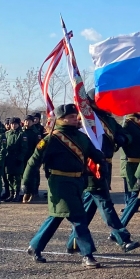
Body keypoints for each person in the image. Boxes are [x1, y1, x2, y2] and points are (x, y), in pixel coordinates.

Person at [25, 103, 104, 268]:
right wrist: (26, 183)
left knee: (56, 216)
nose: (75, 119)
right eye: (71, 117)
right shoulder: (53, 139)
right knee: (79, 218)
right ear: (61, 119)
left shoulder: (82, 137)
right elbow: (33, 161)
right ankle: (87, 254)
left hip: (77, 182)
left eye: (75, 116)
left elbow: (94, 154)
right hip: (59, 183)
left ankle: (35, 246)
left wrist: (103, 155)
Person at [67, 91, 140, 254]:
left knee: (89, 208)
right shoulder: (87, 119)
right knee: (106, 204)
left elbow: (123, 134)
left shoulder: (108, 119)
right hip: (93, 167)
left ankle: (73, 241)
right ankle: (123, 239)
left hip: (105, 165)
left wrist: (123, 139)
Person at [3, 117, 28, 202]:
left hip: (17, 158)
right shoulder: (7, 134)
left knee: (16, 178)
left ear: (18, 124)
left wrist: (20, 158)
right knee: (9, 177)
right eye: (12, 124)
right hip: (8, 158)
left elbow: (24, 148)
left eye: (15, 124)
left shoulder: (22, 134)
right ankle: (11, 193)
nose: (13, 125)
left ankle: (17, 194)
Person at [21, 114, 42, 203]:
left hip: (33, 157)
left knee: (33, 175)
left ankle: (34, 193)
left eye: (29, 121)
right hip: (23, 156)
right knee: (24, 176)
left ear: (32, 122)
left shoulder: (36, 132)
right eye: (26, 121)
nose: (27, 123)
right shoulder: (22, 132)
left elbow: (39, 145)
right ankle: (26, 192)